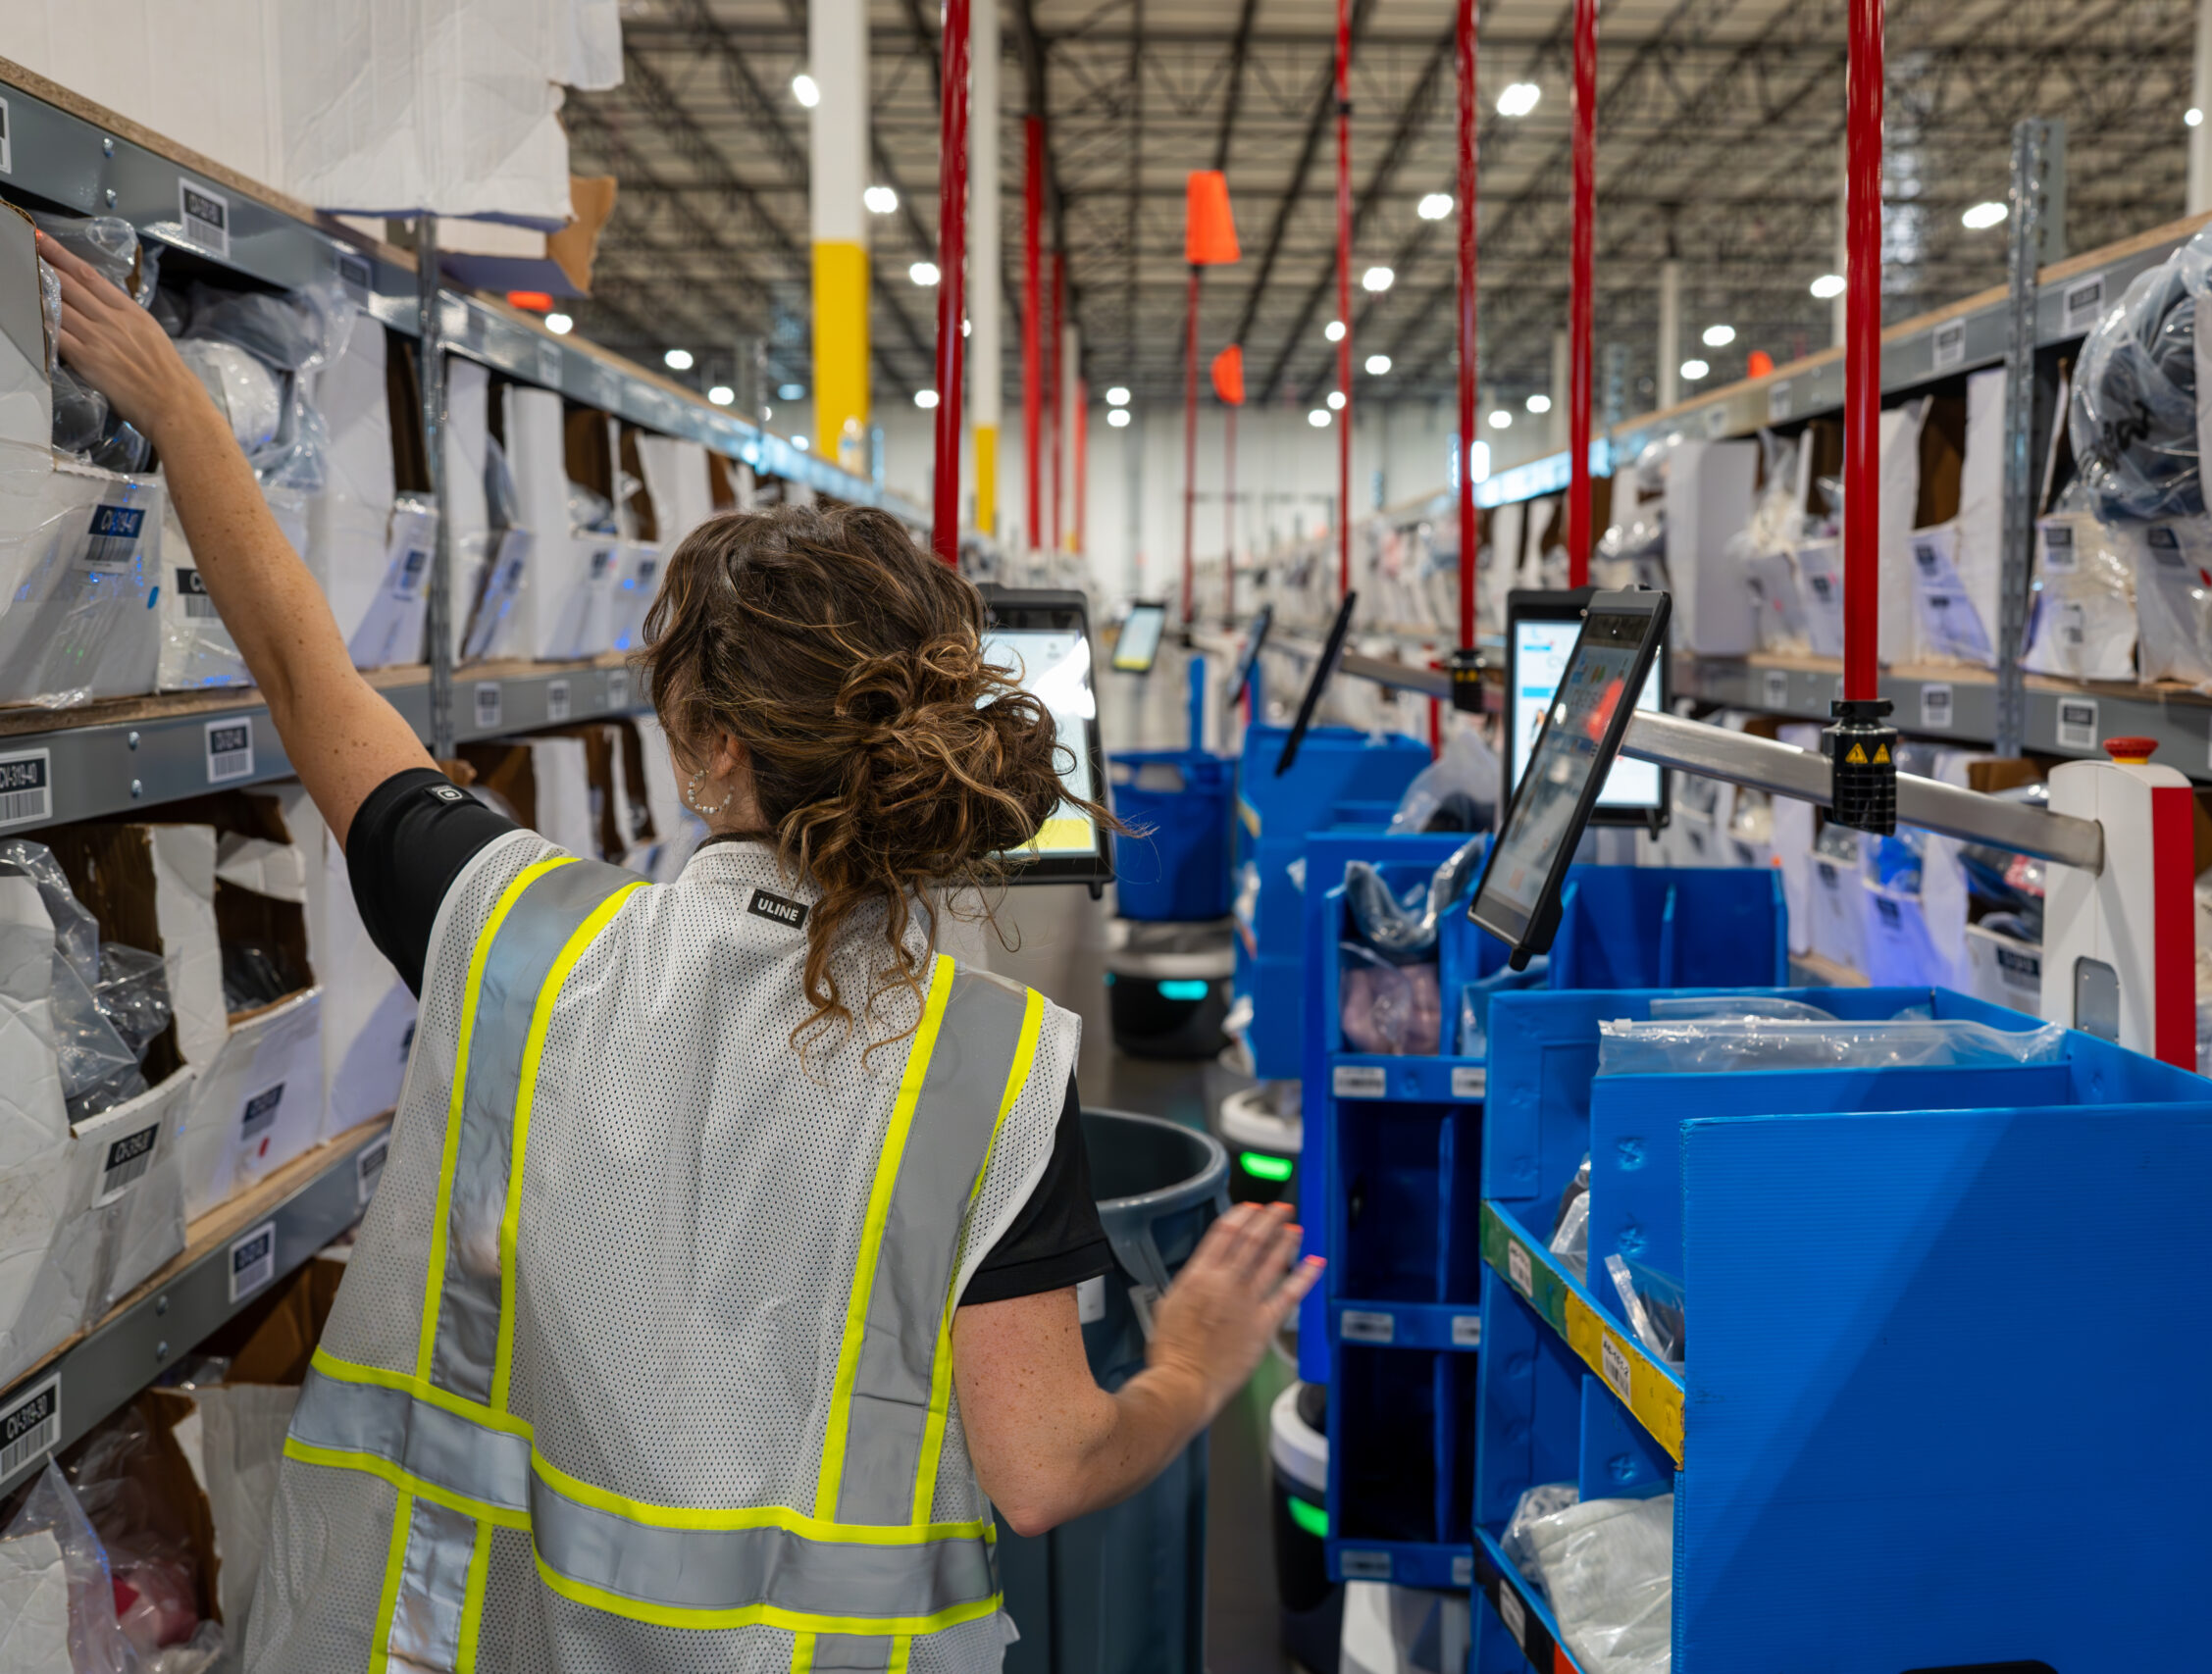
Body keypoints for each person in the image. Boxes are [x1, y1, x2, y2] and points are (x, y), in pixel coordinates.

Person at [43, 232, 1319, 1674]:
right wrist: (1192, 1363)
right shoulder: (996, 1071)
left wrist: (185, 406)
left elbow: (303, 676)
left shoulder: (512, 936)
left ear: (715, 754)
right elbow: (1042, 1471)